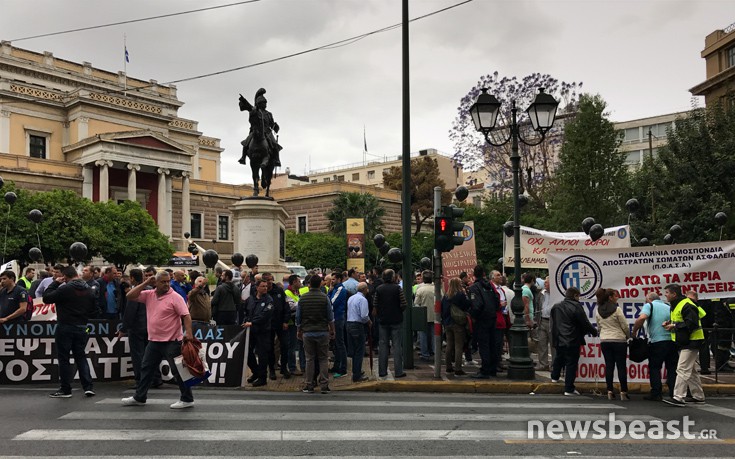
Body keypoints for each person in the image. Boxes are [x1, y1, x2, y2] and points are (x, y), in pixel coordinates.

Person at [122, 271, 195, 409]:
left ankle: (187, 398)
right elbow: (129, 296)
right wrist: (145, 283)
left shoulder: (175, 297)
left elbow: (186, 315)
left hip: (172, 341)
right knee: (146, 369)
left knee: (178, 370)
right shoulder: (149, 295)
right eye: (163, 282)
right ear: (155, 282)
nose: (166, 284)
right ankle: (140, 397)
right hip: (154, 341)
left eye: (168, 281)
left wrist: (189, 333)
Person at [43, 266, 99, 398]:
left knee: (64, 358)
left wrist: (56, 283)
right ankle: (88, 387)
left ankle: (65, 389)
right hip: (82, 326)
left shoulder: (65, 288)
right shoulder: (89, 289)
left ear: (65, 276)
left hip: (65, 325)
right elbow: (95, 310)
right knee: (81, 356)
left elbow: (46, 298)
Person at [662, 283, 707, 406]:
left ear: (674, 294)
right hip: (686, 341)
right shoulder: (677, 305)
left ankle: (678, 397)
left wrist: (674, 326)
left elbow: (692, 324)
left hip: (692, 341)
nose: (665, 295)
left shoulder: (686, 304)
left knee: (682, 369)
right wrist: (670, 323)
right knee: (691, 371)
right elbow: (682, 321)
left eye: (667, 293)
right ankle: (698, 396)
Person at [117, 268, 162, 389]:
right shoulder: (152, 291)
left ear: (132, 278)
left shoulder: (135, 292)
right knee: (151, 355)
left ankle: (141, 381)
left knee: (138, 355)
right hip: (150, 327)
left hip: (137, 328)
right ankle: (156, 378)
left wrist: (123, 329)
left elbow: (130, 313)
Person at [550, 286, 598, 396]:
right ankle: (569, 388)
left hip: (559, 338)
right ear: (575, 296)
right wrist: (594, 332)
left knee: (559, 357)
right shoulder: (576, 306)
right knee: (571, 364)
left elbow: (554, 323)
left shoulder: (557, 306)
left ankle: (555, 377)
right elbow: (584, 323)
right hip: (572, 339)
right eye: (579, 296)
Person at [633, 292, 677, 401]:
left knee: (654, 367)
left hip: (657, 342)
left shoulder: (649, 305)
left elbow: (641, 318)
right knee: (672, 368)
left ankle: (656, 393)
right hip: (672, 341)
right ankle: (674, 393)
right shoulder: (668, 307)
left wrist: (634, 332)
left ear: (649, 299)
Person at [297, 274, 335, 393]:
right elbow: (330, 317)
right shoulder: (324, 298)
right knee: (323, 359)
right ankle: (324, 385)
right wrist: (332, 330)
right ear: (320, 284)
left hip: (308, 332)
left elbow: (298, 317)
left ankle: (309, 384)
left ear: (309, 284)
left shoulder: (303, 298)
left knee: (310, 359)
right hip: (322, 332)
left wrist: (299, 330)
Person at [595, 288, 631, 401]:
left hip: (605, 340)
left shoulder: (598, 310)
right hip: (619, 340)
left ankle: (609, 391)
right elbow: (625, 325)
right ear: (610, 297)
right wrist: (628, 336)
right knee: (621, 366)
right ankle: (623, 391)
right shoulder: (617, 309)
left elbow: (599, 327)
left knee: (609, 366)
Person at [373, 269, 407, 378]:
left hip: (383, 320)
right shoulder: (397, 288)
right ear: (393, 277)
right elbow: (404, 304)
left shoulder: (379, 289)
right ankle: (398, 371)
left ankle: (382, 371)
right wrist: (398, 310)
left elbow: (375, 304)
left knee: (383, 346)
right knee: (397, 346)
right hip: (396, 319)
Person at [467, 265, 499, 379]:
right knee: (492, 344)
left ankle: (485, 370)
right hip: (492, 317)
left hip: (482, 319)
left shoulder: (474, 288)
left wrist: (473, 316)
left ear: (474, 274)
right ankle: (492, 368)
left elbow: (477, 305)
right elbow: (497, 299)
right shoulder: (490, 286)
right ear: (484, 273)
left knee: (484, 345)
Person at [238, 88, 283, 166]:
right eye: (264, 103)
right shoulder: (256, 111)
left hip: (267, 132)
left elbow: (271, 124)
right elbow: (248, 106)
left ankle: (277, 160)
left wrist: (275, 126)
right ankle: (243, 157)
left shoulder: (269, 114)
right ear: (259, 103)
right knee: (246, 142)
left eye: (266, 103)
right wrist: (243, 100)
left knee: (275, 144)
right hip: (255, 130)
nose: (265, 104)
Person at [243, 279, 274, 387]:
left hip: (263, 331)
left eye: (266, 286)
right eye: (263, 286)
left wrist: (252, 322)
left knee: (262, 355)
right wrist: (245, 321)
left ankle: (262, 378)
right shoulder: (250, 299)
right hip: (251, 331)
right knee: (247, 352)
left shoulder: (269, 300)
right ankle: (255, 372)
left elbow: (265, 315)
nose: (265, 288)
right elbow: (245, 311)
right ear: (257, 287)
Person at [263, 272, 291, 380]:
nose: (270, 282)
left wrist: (285, 321)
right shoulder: (263, 292)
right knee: (269, 348)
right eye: (267, 280)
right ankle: (271, 370)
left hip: (280, 323)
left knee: (284, 346)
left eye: (271, 279)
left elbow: (286, 306)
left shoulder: (279, 291)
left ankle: (284, 368)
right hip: (268, 324)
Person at [442, 277, 471, 376]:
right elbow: (466, 305)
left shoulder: (446, 296)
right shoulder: (460, 295)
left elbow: (442, 309)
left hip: (447, 323)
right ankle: (458, 368)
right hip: (457, 323)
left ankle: (448, 366)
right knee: (459, 345)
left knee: (449, 345)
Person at [346, 281, 371, 382]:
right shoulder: (363, 299)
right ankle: (356, 375)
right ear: (365, 289)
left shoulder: (351, 298)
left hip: (349, 324)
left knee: (354, 350)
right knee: (359, 351)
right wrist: (369, 322)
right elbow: (364, 315)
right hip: (357, 325)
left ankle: (356, 370)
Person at [328, 271, 348, 378]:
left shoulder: (340, 289)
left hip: (338, 318)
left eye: (333, 279)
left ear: (339, 279)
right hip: (335, 318)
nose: (331, 281)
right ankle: (337, 365)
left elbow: (331, 303)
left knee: (340, 343)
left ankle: (342, 368)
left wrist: (330, 292)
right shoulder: (335, 289)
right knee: (336, 344)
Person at [413, 270, 436, 362]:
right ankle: (434, 351)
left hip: (423, 315)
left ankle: (425, 353)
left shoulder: (420, 289)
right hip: (435, 315)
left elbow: (416, 303)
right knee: (434, 335)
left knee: (423, 335)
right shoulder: (437, 288)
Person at [284, 274, 304, 375]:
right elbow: (291, 306)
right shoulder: (287, 292)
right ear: (294, 282)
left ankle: (298, 366)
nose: (300, 283)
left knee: (297, 345)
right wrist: (302, 302)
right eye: (299, 281)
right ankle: (292, 367)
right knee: (291, 346)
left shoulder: (297, 292)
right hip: (291, 323)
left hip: (297, 322)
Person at [535, 277, 553, 371]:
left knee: (553, 345)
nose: (545, 284)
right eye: (545, 282)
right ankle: (543, 364)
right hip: (542, 320)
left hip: (553, 321)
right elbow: (537, 306)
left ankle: (554, 365)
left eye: (547, 282)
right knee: (542, 344)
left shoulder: (555, 294)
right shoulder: (541, 294)